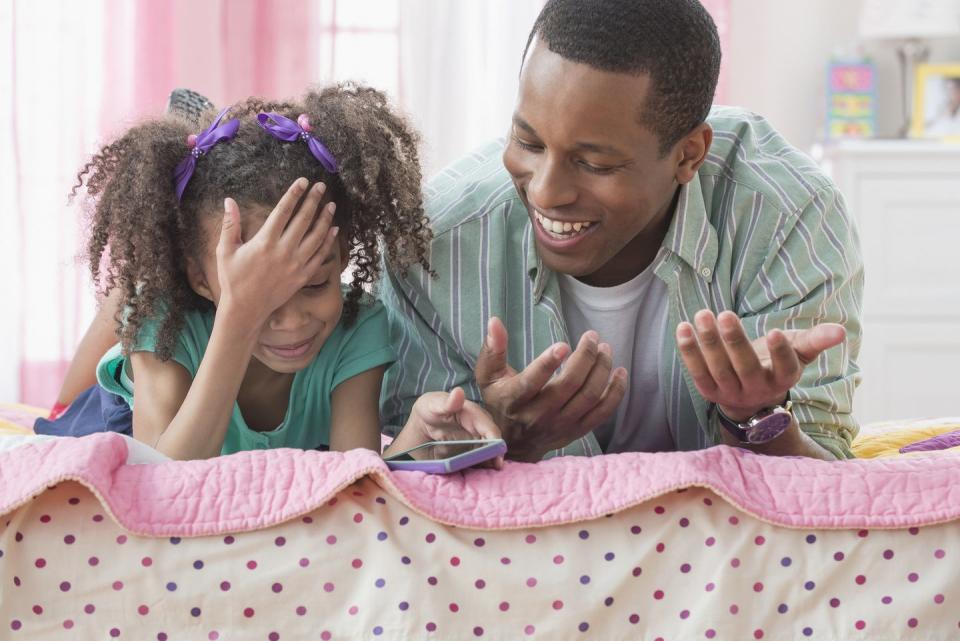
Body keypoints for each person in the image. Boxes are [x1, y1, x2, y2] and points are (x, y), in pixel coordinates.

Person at [379, 0, 863, 462]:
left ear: (688, 155)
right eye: (528, 141)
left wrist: (753, 417)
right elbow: (410, 486)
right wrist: (507, 441)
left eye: (594, 163)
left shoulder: (783, 217)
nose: (547, 191)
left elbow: (821, 480)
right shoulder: (434, 243)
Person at [39, 84, 502, 462]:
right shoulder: (167, 323)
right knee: (139, 295)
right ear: (202, 281)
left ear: (342, 256)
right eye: (262, 295)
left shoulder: (359, 327)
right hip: (116, 425)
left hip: (207, 297)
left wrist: (416, 436)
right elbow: (163, 480)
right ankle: (160, 262)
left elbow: (357, 481)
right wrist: (239, 317)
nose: (293, 321)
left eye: (316, 283)